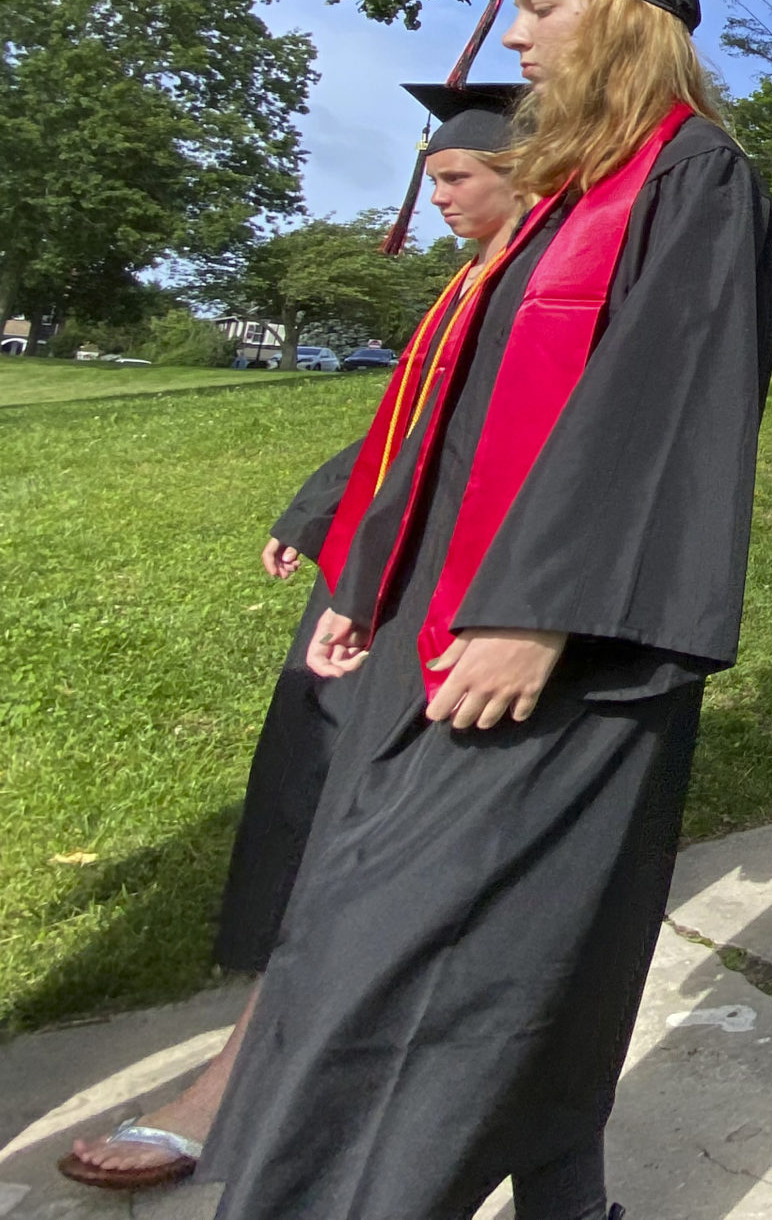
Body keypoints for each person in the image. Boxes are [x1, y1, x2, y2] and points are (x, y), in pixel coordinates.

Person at [199, 0, 772, 1220]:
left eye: (539, 6)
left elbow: (665, 408)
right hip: (437, 623)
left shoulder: (695, 178)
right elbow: (453, 416)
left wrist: (542, 609)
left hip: (549, 639)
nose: (512, 41)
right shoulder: (562, 206)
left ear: (626, 20)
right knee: (466, 958)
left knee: (395, 977)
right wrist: (371, 573)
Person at [58, 82, 527, 1196]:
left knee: (358, 846)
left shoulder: (536, 289)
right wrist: (324, 515)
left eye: (459, 175)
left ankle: (247, 1085)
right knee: (317, 815)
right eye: (434, 176)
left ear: (523, 168)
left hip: (445, 604)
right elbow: (405, 426)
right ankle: (255, 1070)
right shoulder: (469, 289)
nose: (440, 195)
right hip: (388, 583)